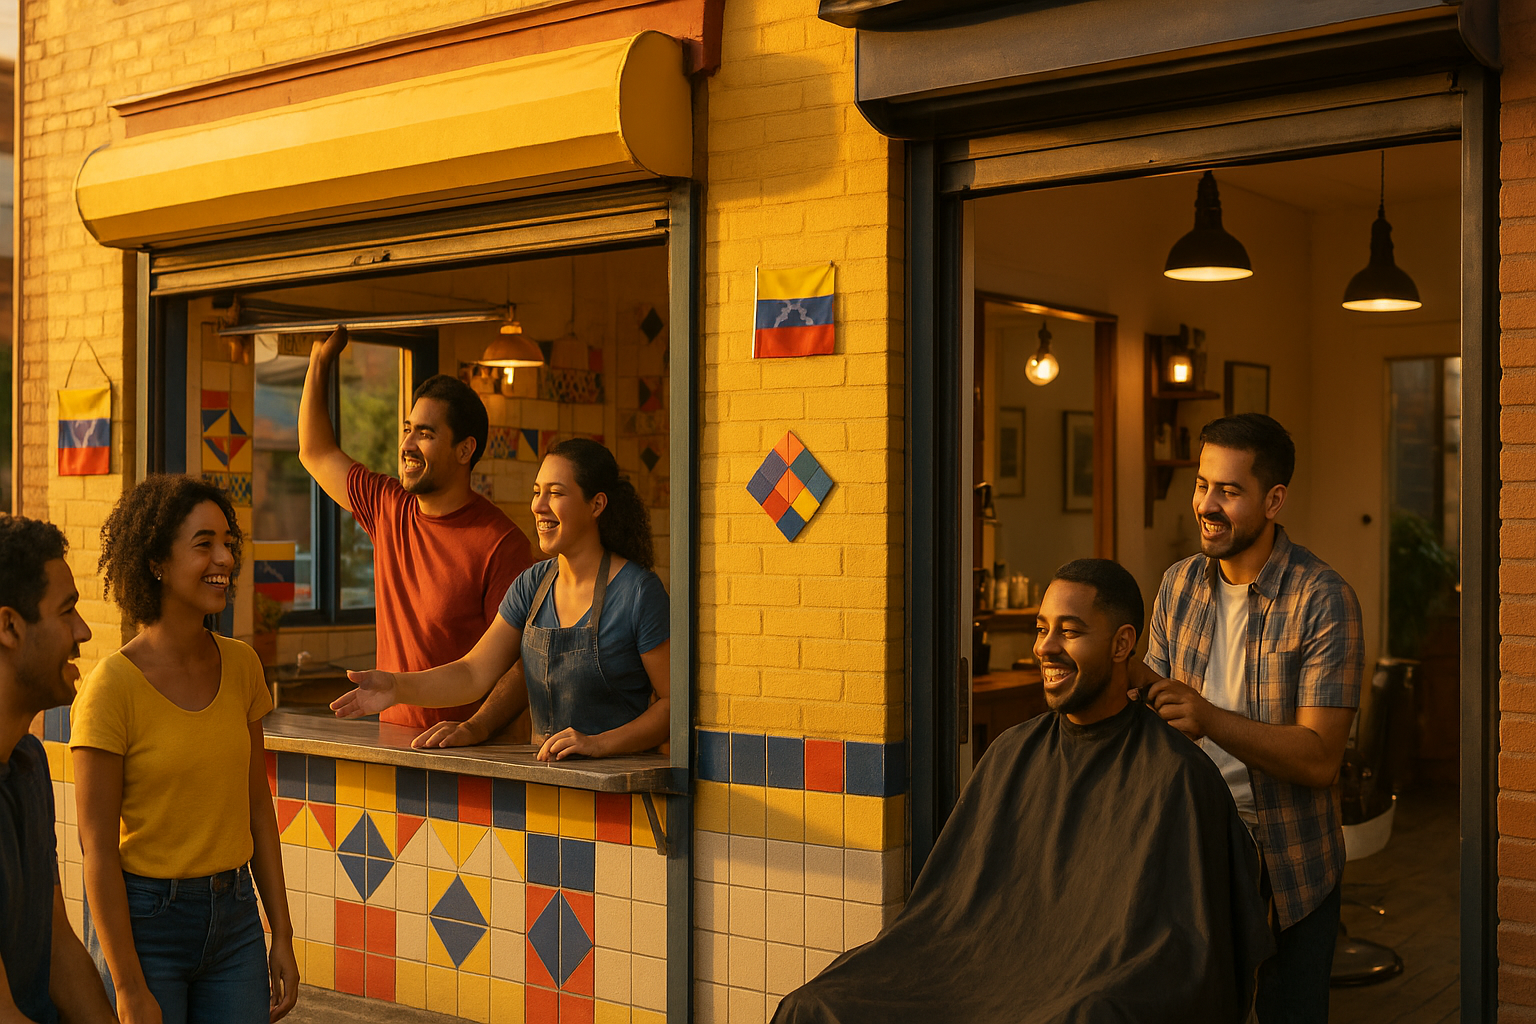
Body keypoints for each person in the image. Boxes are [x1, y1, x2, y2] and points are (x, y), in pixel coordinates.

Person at [773, 559, 1273, 1024]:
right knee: (815, 1006)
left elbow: (1187, 954)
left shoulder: (1176, 775)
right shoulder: (1012, 753)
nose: (1045, 647)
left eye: (1069, 631)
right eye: (1041, 629)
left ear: (1122, 645)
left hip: (1083, 986)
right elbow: (945, 913)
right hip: (974, 966)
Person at [1136, 413, 1364, 1024]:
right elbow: (1156, 708)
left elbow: (1319, 760)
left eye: (1229, 491)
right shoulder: (1178, 584)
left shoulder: (1324, 599)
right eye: (1202, 484)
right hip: (1192, 850)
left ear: (1274, 500)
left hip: (1289, 864)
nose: (1207, 505)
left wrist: (1207, 716)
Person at [71, 476, 299, 1024]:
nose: (224, 558)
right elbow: (97, 850)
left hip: (237, 921)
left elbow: (257, 811)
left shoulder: (243, 665)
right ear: (156, 561)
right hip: (146, 926)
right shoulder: (111, 688)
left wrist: (282, 935)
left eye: (227, 543)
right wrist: (126, 985)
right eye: (204, 544)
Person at [332, 438, 671, 761]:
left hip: (626, 796)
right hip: (551, 784)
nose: (538, 506)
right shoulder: (532, 585)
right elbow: (472, 672)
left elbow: (673, 705)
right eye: (537, 492)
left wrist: (599, 744)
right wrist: (396, 686)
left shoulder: (639, 592)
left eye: (555, 493)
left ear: (596, 505)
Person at [299, 326, 535, 745]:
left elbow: (520, 666)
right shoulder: (388, 507)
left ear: (464, 451)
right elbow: (315, 451)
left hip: (474, 752)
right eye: (408, 428)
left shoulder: (501, 543)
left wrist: (473, 729)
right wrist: (318, 363)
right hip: (397, 742)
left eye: (425, 433)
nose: (407, 443)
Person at [0, 515, 116, 1024]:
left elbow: (58, 948)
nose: (84, 631)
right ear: (9, 626)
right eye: (67, 611)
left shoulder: (27, 763)